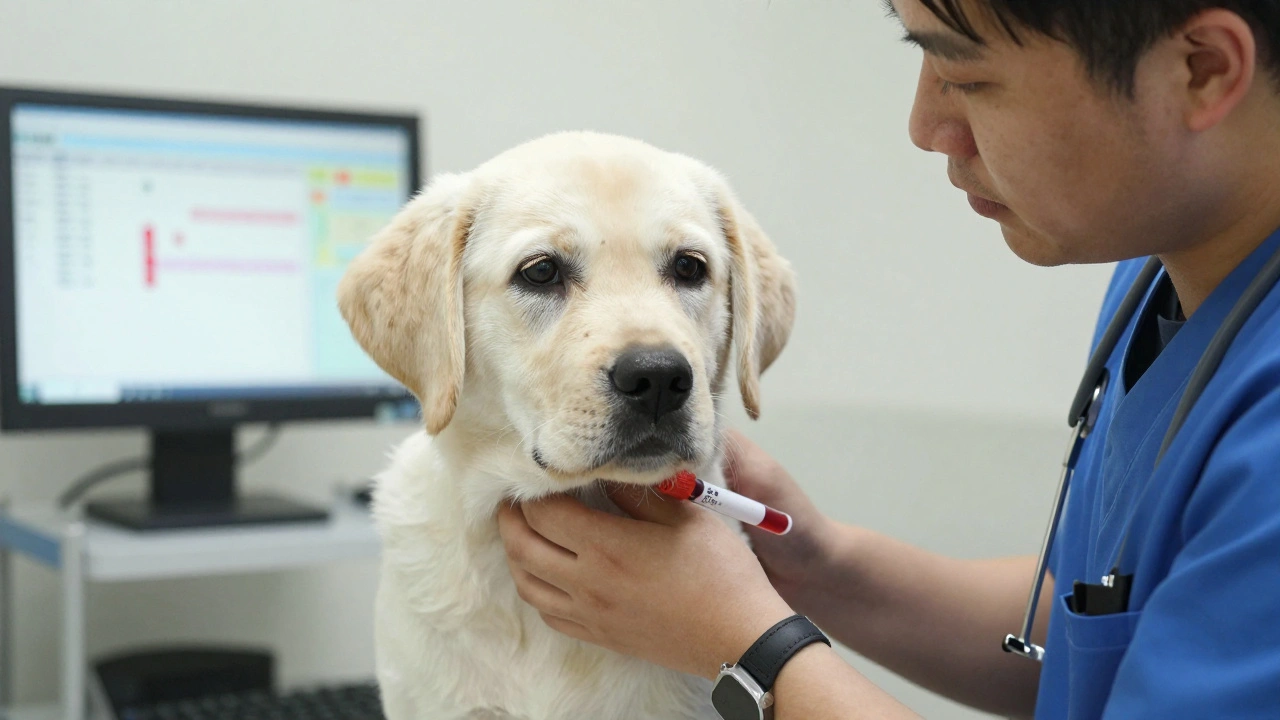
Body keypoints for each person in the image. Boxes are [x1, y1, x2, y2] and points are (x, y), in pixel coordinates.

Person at [496, 0, 1280, 717]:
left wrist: (752, 645)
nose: (924, 124)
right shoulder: (1167, 281)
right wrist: (820, 565)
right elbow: (1106, 624)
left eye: (966, 76)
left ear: (1201, 70)